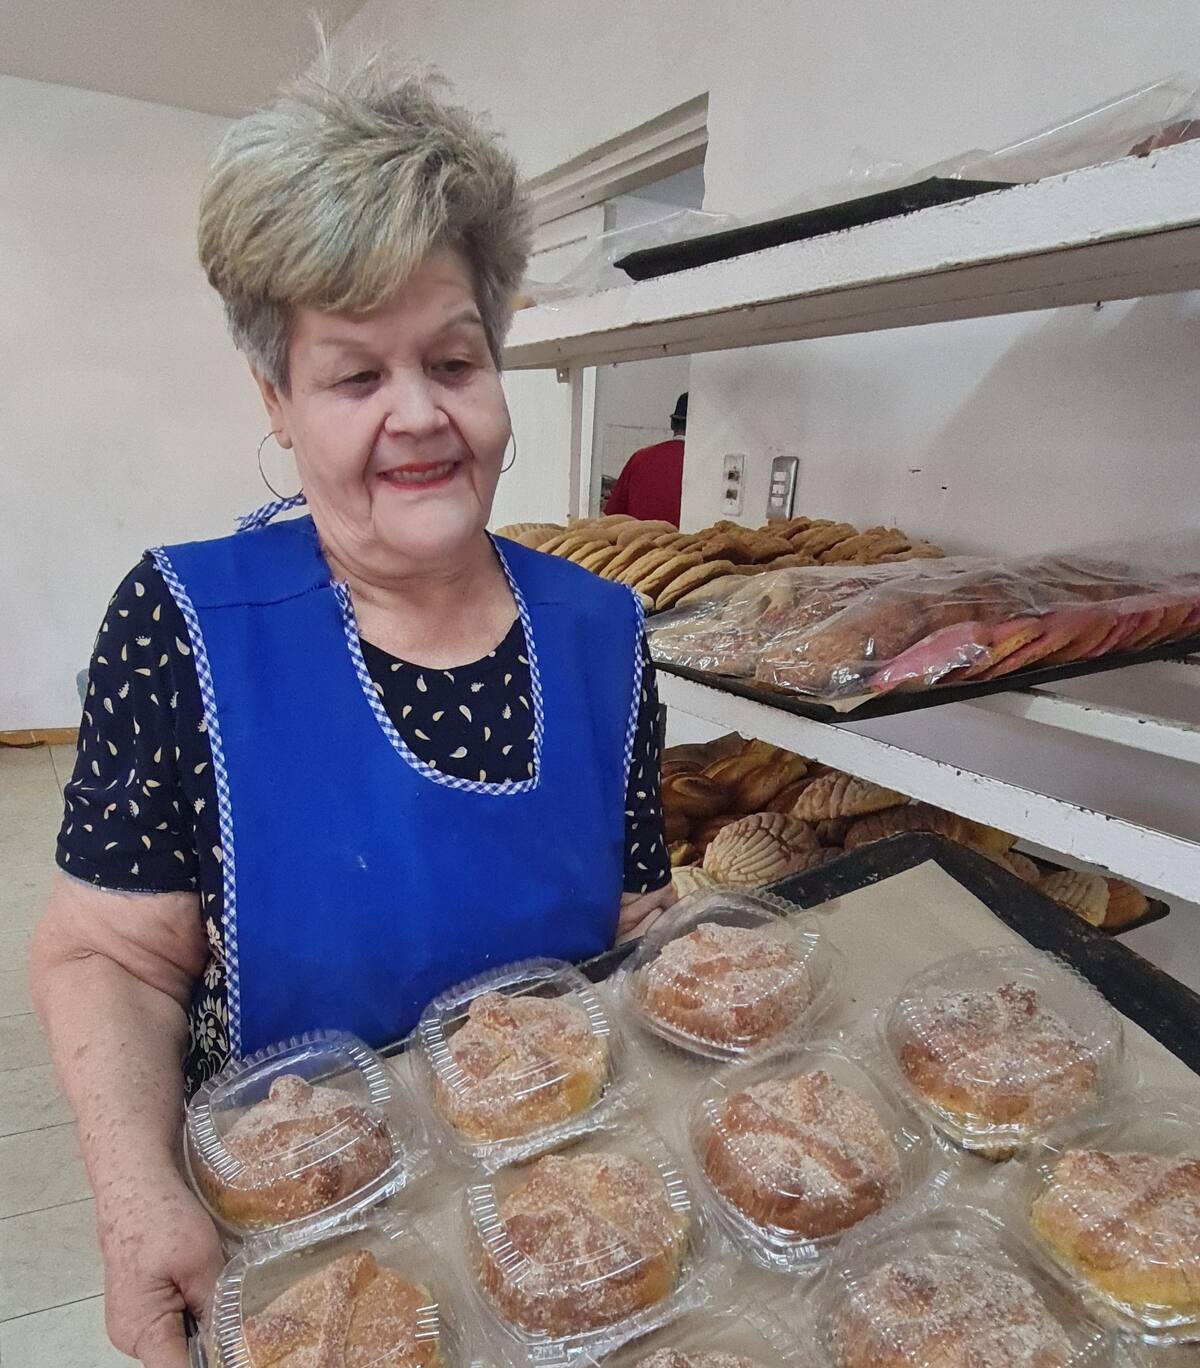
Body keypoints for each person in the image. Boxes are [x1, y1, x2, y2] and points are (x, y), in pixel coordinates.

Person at [28, 59, 674, 1368]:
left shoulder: (605, 633)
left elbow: (633, 931)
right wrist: (135, 1199)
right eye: (355, 376)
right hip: (305, 1262)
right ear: (276, 400)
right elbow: (109, 957)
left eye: (453, 360)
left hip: (565, 1237)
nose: (420, 414)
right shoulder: (186, 625)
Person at [604, 392, 687, 526]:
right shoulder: (707, 468)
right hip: (685, 539)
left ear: (672, 423)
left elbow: (613, 516)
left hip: (635, 538)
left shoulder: (640, 457)